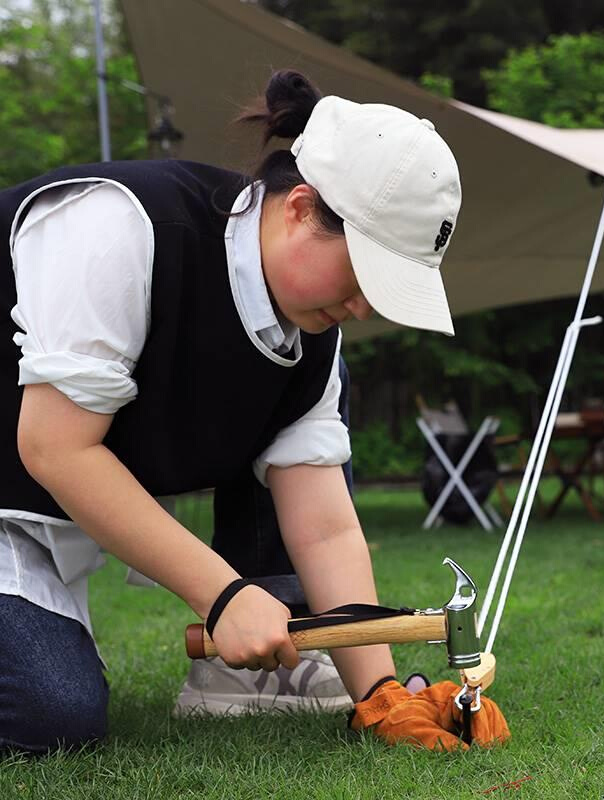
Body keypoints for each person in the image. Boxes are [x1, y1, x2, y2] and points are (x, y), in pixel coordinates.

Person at [0, 69, 509, 754]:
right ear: (300, 207)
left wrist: (381, 696)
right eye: (362, 275)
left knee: (57, 714)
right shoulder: (123, 228)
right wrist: (222, 595)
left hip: (36, 518)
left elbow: (323, 526)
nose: (364, 307)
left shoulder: (311, 340)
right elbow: (56, 448)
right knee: (45, 717)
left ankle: (246, 680)